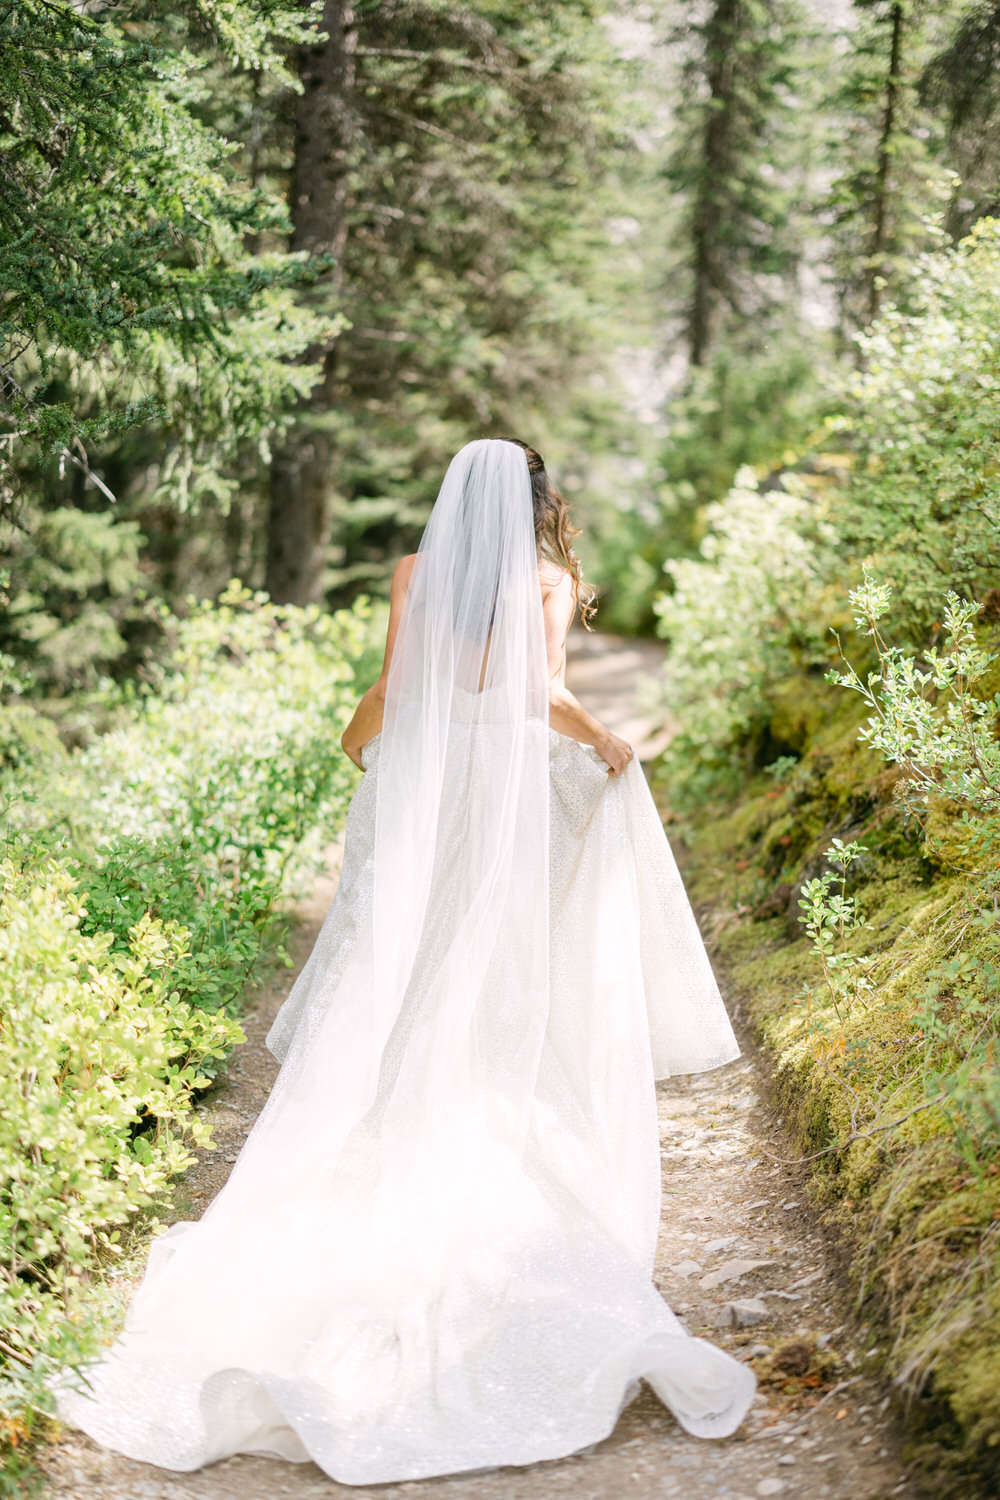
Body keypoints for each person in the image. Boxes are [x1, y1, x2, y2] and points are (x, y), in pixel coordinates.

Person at [56, 438, 755, 1484]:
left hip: (422, 797)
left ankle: (383, 1128)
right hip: (503, 797)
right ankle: (480, 1120)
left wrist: (364, 750)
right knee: (488, 971)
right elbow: (536, 694)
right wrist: (606, 738)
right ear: (535, 501)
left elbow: (390, 691)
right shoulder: (550, 577)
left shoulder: (412, 574)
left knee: (403, 966)